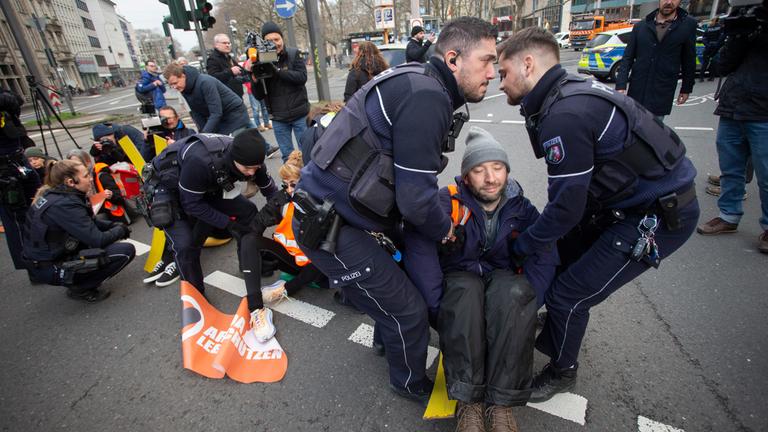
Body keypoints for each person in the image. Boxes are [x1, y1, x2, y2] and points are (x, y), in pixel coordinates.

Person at [294, 16, 499, 404]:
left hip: (343, 215)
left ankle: (386, 340)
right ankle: (407, 381)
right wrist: (447, 232)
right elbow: (416, 199)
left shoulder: (418, 80)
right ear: (453, 59)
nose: (493, 72)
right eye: (486, 61)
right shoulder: (428, 96)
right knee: (408, 311)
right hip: (331, 228)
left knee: (398, 282)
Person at [496, 27, 700, 402]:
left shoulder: (565, 114)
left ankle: (562, 371)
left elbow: (566, 206)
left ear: (527, 64)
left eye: (504, 73)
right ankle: (559, 323)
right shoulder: (568, 92)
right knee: (559, 262)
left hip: (656, 215)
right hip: (623, 204)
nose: (500, 83)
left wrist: (525, 242)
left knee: (569, 296)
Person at [405, 128, 557, 431]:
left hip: (501, 275)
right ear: (466, 176)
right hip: (460, 275)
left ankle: (500, 403)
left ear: (507, 171)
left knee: (513, 295)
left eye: (497, 168)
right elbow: (419, 247)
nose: (491, 178)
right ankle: (468, 402)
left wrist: (532, 296)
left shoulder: (520, 206)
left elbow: (545, 250)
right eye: (479, 170)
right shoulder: (447, 201)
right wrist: (436, 302)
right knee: (464, 296)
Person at [147, 129, 280, 340]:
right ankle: (195, 298)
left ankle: (248, 261)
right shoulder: (200, 161)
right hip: (171, 186)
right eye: (247, 169)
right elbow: (192, 205)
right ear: (234, 159)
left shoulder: (251, 161)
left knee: (248, 213)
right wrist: (227, 224)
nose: (251, 174)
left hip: (207, 186)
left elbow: (271, 192)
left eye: (256, 168)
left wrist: (286, 213)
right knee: (186, 245)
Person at [696, 6, 768, 254]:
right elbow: (722, 65)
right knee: (731, 169)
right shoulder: (746, 24)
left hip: (764, 112)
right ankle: (729, 215)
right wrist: (737, 35)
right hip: (733, 106)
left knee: (767, 175)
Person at [21, 160, 135, 302]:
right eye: (86, 176)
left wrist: (113, 225)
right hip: (49, 267)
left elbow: (89, 222)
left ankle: (75, 277)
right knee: (125, 251)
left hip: (44, 261)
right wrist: (121, 230)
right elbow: (97, 239)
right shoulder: (65, 205)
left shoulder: (55, 195)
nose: (91, 178)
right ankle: (81, 288)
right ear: (71, 182)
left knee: (99, 242)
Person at [240, 150, 326, 318]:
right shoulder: (283, 198)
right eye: (285, 184)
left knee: (324, 257)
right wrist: (249, 257)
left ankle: (284, 290)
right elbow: (256, 225)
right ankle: (256, 308)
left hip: (317, 267)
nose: (288, 189)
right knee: (249, 240)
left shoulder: (323, 202)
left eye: (293, 184)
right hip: (292, 261)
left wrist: (287, 289)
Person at [615, 0, 697, 120]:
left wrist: (686, 88)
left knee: (653, 133)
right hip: (637, 90)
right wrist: (621, 85)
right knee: (630, 130)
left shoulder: (688, 25)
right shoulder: (641, 26)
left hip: (662, 91)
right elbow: (628, 57)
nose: (668, 2)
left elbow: (689, 59)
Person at [250, 21, 309, 162]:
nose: (274, 43)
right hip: (278, 118)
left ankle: (311, 182)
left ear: (282, 39)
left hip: (300, 114)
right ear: (263, 43)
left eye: (276, 39)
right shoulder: (259, 61)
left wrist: (277, 71)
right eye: (269, 41)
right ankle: (291, 184)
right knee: (287, 156)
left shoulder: (294, 54)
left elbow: (301, 78)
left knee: (307, 152)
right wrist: (255, 79)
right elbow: (258, 95)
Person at [0, 88, 40, 271]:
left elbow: (16, 100)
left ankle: (44, 251)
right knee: (15, 218)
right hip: (4, 169)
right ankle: (30, 264)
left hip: (17, 156)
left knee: (38, 201)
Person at [163, 63, 251, 135]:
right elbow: (197, 113)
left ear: (183, 76)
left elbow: (216, 112)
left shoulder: (205, 82)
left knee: (236, 147)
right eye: (171, 85)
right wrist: (202, 133)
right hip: (221, 118)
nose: (174, 87)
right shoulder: (184, 88)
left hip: (235, 115)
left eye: (175, 83)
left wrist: (205, 134)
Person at [206, 34, 246, 99]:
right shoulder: (213, 59)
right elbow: (213, 77)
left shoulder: (229, 57)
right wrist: (230, 71)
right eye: (224, 43)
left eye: (229, 43)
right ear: (216, 45)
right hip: (227, 98)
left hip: (237, 95)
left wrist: (247, 69)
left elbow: (241, 71)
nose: (227, 45)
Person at [700, 17, 724, 82]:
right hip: (716, 48)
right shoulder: (721, 28)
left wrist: (707, 45)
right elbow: (721, 38)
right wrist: (717, 45)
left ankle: (701, 77)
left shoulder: (708, 28)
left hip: (708, 48)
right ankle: (711, 77)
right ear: (718, 21)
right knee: (714, 63)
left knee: (705, 63)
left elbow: (704, 38)